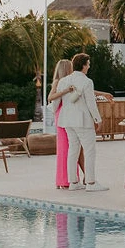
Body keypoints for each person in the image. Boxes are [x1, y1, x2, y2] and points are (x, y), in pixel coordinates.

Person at [57, 53, 106, 192]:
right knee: (90, 151)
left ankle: (73, 182)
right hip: (82, 121)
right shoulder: (87, 81)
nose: (89, 66)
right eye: (88, 64)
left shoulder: (63, 81)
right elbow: (91, 103)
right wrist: (98, 119)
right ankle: (91, 182)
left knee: (73, 150)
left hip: (67, 120)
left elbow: (59, 100)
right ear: (84, 65)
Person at [47, 58, 78, 190]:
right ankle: (64, 180)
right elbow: (50, 97)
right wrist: (66, 91)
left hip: (67, 114)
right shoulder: (58, 82)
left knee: (69, 147)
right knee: (65, 148)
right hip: (61, 114)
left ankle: (67, 179)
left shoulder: (69, 81)